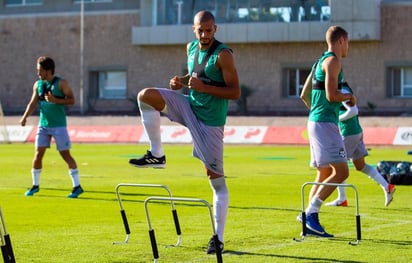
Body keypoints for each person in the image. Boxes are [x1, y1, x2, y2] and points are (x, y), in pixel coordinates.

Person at [128, 10, 240, 254]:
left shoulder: (224, 55)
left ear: (215, 29)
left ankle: (218, 238)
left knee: (216, 182)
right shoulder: (191, 48)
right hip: (189, 106)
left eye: (208, 30)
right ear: (193, 29)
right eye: (200, 30)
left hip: (210, 122)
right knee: (146, 96)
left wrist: (204, 87)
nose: (204, 34)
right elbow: (196, 76)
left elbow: (234, 92)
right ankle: (157, 154)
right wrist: (182, 80)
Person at [299, 25, 356, 237]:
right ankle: (311, 214)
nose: (348, 46)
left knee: (324, 172)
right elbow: (332, 96)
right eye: (348, 42)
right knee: (342, 172)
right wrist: (349, 97)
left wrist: (317, 111)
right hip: (324, 124)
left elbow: (304, 95)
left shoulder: (318, 62)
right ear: (342, 40)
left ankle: (306, 216)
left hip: (315, 121)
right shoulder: (333, 61)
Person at [19, 56, 83, 198]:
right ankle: (35, 185)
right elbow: (32, 103)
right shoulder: (38, 85)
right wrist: (24, 117)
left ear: (48, 70)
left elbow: (72, 100)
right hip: (43, 125)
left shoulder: (61, 83)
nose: (38, 73)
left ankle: (77, 186)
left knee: (65, 155)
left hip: (59, 126)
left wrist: (56, 100)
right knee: (38, 154)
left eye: (40, 70)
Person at [325, 82, 396, 207]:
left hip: (349, 133)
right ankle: (387, 186)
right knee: (360, 165)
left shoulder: (341, 91)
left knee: (338, 165)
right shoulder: (344, 90)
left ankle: (342, 199)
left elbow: (353, 111)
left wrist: (336, 119)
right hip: (356, 132)